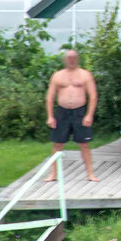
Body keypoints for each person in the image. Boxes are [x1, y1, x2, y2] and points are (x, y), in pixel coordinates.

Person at [44, 49, 100, 182]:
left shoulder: (85, 75)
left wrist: (89, 115)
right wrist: (50, 116)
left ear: (78, 59)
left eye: (74, 57)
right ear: (64, 59)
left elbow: (93, 96)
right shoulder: (57, 76)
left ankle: (90, 173)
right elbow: (50, 97)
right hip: (62, 112)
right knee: (57, 144)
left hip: (80, 112)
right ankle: (53, 174)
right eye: (69, 57)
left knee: (84, 144)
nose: (71, 60)